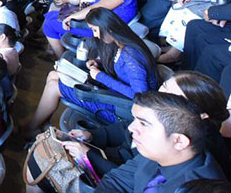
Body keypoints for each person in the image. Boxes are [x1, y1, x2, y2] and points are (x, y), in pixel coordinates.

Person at [25, 7, 159, 133]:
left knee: (54, 86)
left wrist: (100, 76)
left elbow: (140, 96)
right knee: (53, 75)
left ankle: (31, 128)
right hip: (114, 95)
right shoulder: (121, 44)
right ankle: (41, 123)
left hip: (122, 108)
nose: (95, 35)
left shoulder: (131, 57)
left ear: (107, 29)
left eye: (95, 30)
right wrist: (99, 63)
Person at [93, 91, 226, 193]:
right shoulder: (158, 153)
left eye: (143, 123)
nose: (131, 128)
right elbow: (115, 181)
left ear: (179, 141)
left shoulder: (200, 188)